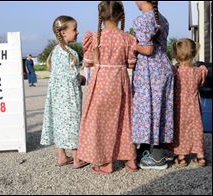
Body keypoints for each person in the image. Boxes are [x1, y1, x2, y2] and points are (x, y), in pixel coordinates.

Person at [77, 1, 137, 174]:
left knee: (101, 122)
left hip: (101, 82)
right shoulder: (127, 38)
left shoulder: (95, 37)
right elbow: (131, 64)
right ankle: (131, 159)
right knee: (124, 120)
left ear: (101, 17)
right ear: (120, 16)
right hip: (120, 82)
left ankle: (107, 162)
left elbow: (88, 62)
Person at [40, 16, 89, 169]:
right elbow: (73, 77)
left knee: (59, 122)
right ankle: (76, 158)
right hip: (69, 96)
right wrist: (82, 79)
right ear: (63, 33)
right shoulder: (71, 53)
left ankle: (62, 156)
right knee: (73, 122)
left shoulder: (54, 52)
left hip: (56, 96)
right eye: (74, 30)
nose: (77, 32)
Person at [131, 1, 174, 170]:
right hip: (163, 66)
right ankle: (155, 150)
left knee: (147, 110)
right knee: (162, 110)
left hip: (150, 70)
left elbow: (147, 50)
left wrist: (133, 45)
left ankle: (156, 157)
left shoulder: (142, 20)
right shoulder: (162, 19)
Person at [172, 38, 208, 167]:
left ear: (176, 55)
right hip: (194, 106)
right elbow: (203, 79)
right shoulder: (199, 71)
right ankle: (200, 156)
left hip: (179, 106)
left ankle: (182, 156)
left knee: (181, 130)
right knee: (197, 129)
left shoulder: (175, 72)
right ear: (193, 54)